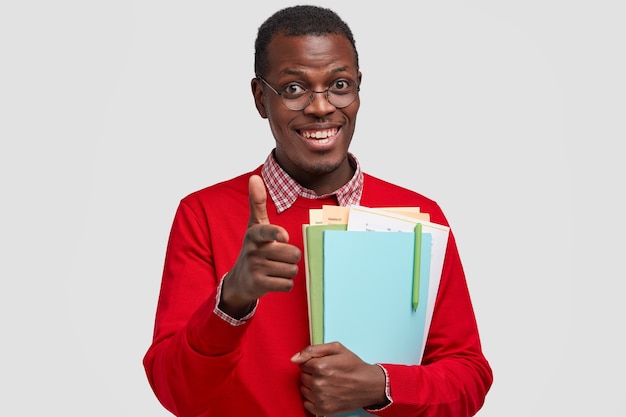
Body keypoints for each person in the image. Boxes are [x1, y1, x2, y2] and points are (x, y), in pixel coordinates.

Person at [143, 5, 493, 417]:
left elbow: (469, 379)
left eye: (339, 84)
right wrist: (232, 299)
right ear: (260, 98)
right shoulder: (202, 214)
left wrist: (380, 386)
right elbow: (176, 392)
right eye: (294, 89)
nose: (322, 107)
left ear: (359, 90)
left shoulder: (418, 215)